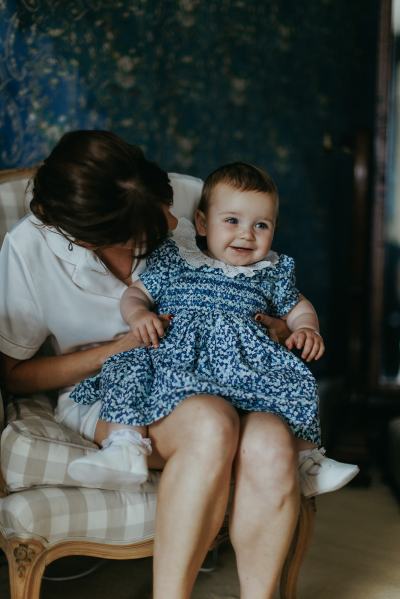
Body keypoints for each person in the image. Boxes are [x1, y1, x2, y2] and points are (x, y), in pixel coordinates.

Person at [0, 131, 328, 599]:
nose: (173, 220)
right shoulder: (29, 251)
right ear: (94, 238)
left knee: (273, 442)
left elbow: (260, 280)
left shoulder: (195, 197)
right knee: (210, 425)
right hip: (118, 389)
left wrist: (278, 326)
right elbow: (12, 374)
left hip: (225, 373)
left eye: (168, 204)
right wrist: (112, 350)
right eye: (154, 226)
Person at [68, 162, 359, 498]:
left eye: (261, 225)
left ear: (274, 230)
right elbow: (137, 293)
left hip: (244, 362)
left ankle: (307, 460)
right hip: (176, 355)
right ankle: (124, 448)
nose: (246, 234)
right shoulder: (177, 258)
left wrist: (307, 328)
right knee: (130, 367)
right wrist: (138, 317)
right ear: (203, 223)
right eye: (232, 221)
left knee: (294, 380)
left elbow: (298, 306)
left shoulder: (270, 271)